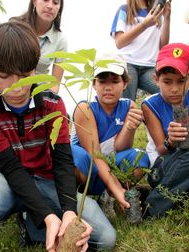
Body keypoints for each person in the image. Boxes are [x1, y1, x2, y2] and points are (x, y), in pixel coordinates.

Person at [0, 21, 117, 252]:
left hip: (46, 180)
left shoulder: (53, 103)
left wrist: (69, 212)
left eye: (24, 75)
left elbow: (62, 162)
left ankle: (32, 221)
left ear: (35, 69)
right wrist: (50, 216)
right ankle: (37, 217)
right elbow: (10, 168)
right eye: (4, 76)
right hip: (3, 182)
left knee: (105, 239)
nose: (16, 86)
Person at [70, 53, 150, 212]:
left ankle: (108, 197)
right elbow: (94, 154)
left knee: (140, 157)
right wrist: (114, 184)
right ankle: (73, 201)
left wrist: (128, 127)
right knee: (76, 155)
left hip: (111, 163)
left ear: (125, 83)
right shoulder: (85, 108)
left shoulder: (129, 106)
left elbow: (121, 148)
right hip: (88, 168)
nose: (108, 87)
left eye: (115, 81)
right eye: (102, 81)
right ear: (93, 83)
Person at [142, 42, 189, 217]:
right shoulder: (151, 105)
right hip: (162, 167)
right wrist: (171, 141)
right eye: (167, 82)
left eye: (181, 81)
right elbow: (161, 149)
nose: (175, 89)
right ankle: (152, 207)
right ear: (156, 79)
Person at [110, 0, 171, 101]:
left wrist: (167, 18)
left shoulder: (157, 12)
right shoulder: (124, 10)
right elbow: (119, 42)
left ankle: (174, 117)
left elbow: (163, 47)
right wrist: (145, 25)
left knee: (168, 92)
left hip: (150, 67)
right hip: (128, 63)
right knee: (127, 102)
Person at [11, 0, 67, 93]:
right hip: (12, 89)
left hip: (38, 95)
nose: (50, 6)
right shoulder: (15, 26)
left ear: (60, 8)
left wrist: (46, 101)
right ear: (34, 2)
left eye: (55, 2)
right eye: (45, 0)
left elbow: (55, 84)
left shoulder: (60, 41)